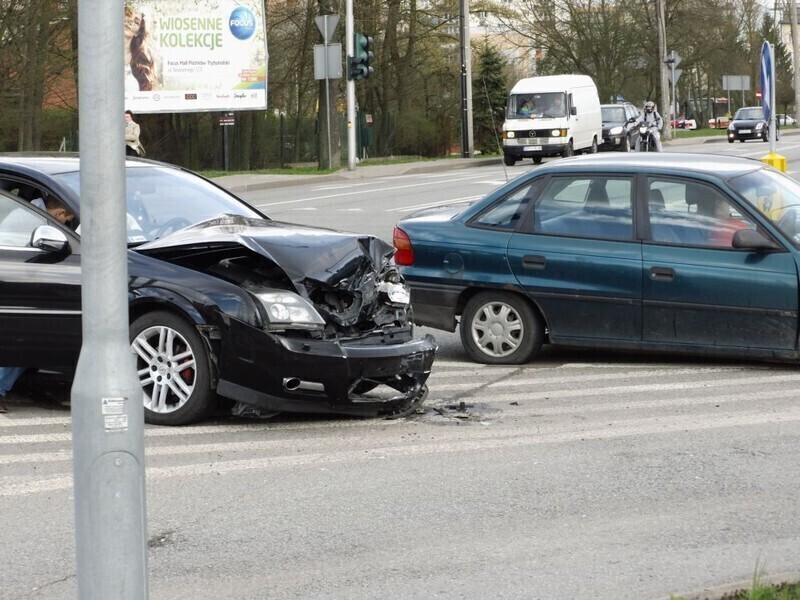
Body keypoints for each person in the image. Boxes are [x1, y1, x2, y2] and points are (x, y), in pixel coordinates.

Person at [0, 195, 74, 412]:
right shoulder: (34, 220)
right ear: (60, 213)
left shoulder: (29, 212)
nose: (66, 225)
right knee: (26, 338)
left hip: (11, 278)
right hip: (11, 280)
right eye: (67, 221)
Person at [124, 6, 159, 91]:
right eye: (128, 15)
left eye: (136, 22)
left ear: (138, 31)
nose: (130, 22)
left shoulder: (142, 60)